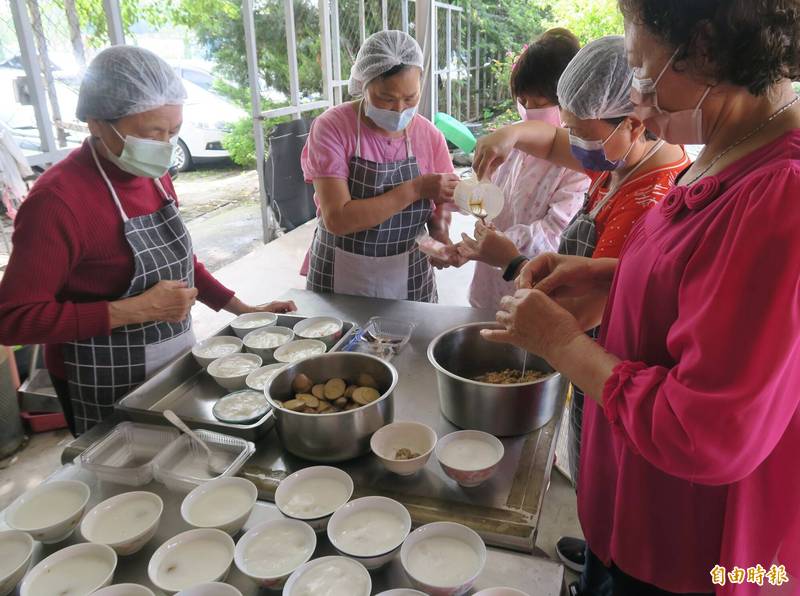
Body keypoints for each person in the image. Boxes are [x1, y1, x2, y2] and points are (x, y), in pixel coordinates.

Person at [484, 1, 800, 593]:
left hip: (698, 556)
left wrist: (559, 342)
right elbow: (702, 285)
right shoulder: (726, 145)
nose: (637, 104)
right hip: (638, 513)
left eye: (641, 73)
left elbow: (705, 430)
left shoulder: (782, 195)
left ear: (704, 48)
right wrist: (611, 277)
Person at [472, 36, 689, 589]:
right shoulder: (617, 160)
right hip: (594, 376)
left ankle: (603, 568)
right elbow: (551, 142)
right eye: (571, 130)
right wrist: (511, 132)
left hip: (611, 368)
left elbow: (581, 313)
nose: (575, 147)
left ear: (635, 124)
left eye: (584, 135)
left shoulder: (651, 198)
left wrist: (510, 260)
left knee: (616, 490)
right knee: (592, 477)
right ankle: (595, 545)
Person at [0, 46, 295, 436]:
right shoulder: (57, 201)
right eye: (151, 133)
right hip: (98, 374)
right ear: (97, 124)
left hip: (171, 355)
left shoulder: (152, 173)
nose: (164, 145)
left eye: (173, 132)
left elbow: (180, 261)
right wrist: (132, 310)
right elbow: (12, 319)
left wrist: (241, 310)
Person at [301, 30, 459, 303]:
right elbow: (337, 218)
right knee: (341, 344)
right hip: (340, 271)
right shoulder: (333, 127)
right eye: (386, 98)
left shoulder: (429, 135)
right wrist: (415, 188)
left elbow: (443, 200)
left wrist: (440, 233)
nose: (399, 109)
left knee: (412, 342)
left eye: (410, 98)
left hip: (409, 272)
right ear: (363, 83)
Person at [456, 29, 589, 310]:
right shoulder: (512, 145)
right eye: (523, 102)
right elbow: (489, 206)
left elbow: (556, 235)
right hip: (487, 290)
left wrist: (499, 245)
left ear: (568, 102)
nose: (528, 111)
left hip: (533, 294)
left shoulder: (578, 163)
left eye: (539, 104)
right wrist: (473, 197)